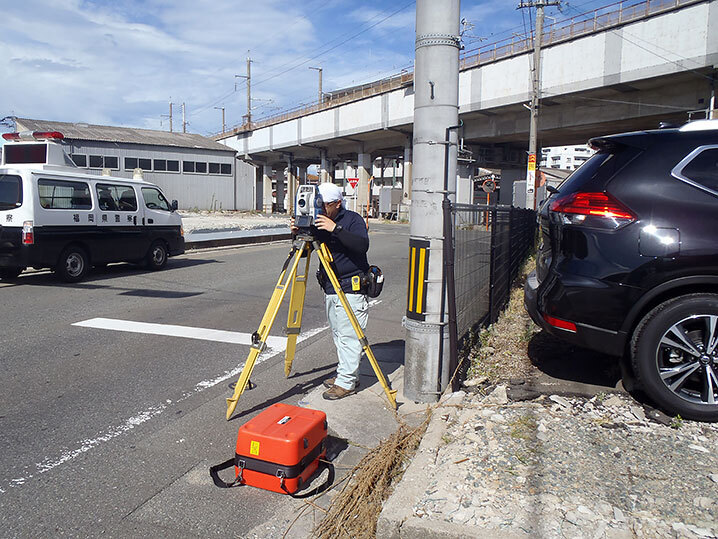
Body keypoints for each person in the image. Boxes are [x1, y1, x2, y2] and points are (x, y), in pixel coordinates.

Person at [292, 182, 370, 400]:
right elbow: (304, 254)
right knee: (339, 336)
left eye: (323, 204)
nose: (318, 207)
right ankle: (346, 374)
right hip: (330, 286)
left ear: (337, 203)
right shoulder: (316, 221)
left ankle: (346, 383)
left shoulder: (352, 219)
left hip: (351, 288)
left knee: (349, 337)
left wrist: (335, 229)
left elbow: (362, 245)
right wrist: (297, 233)